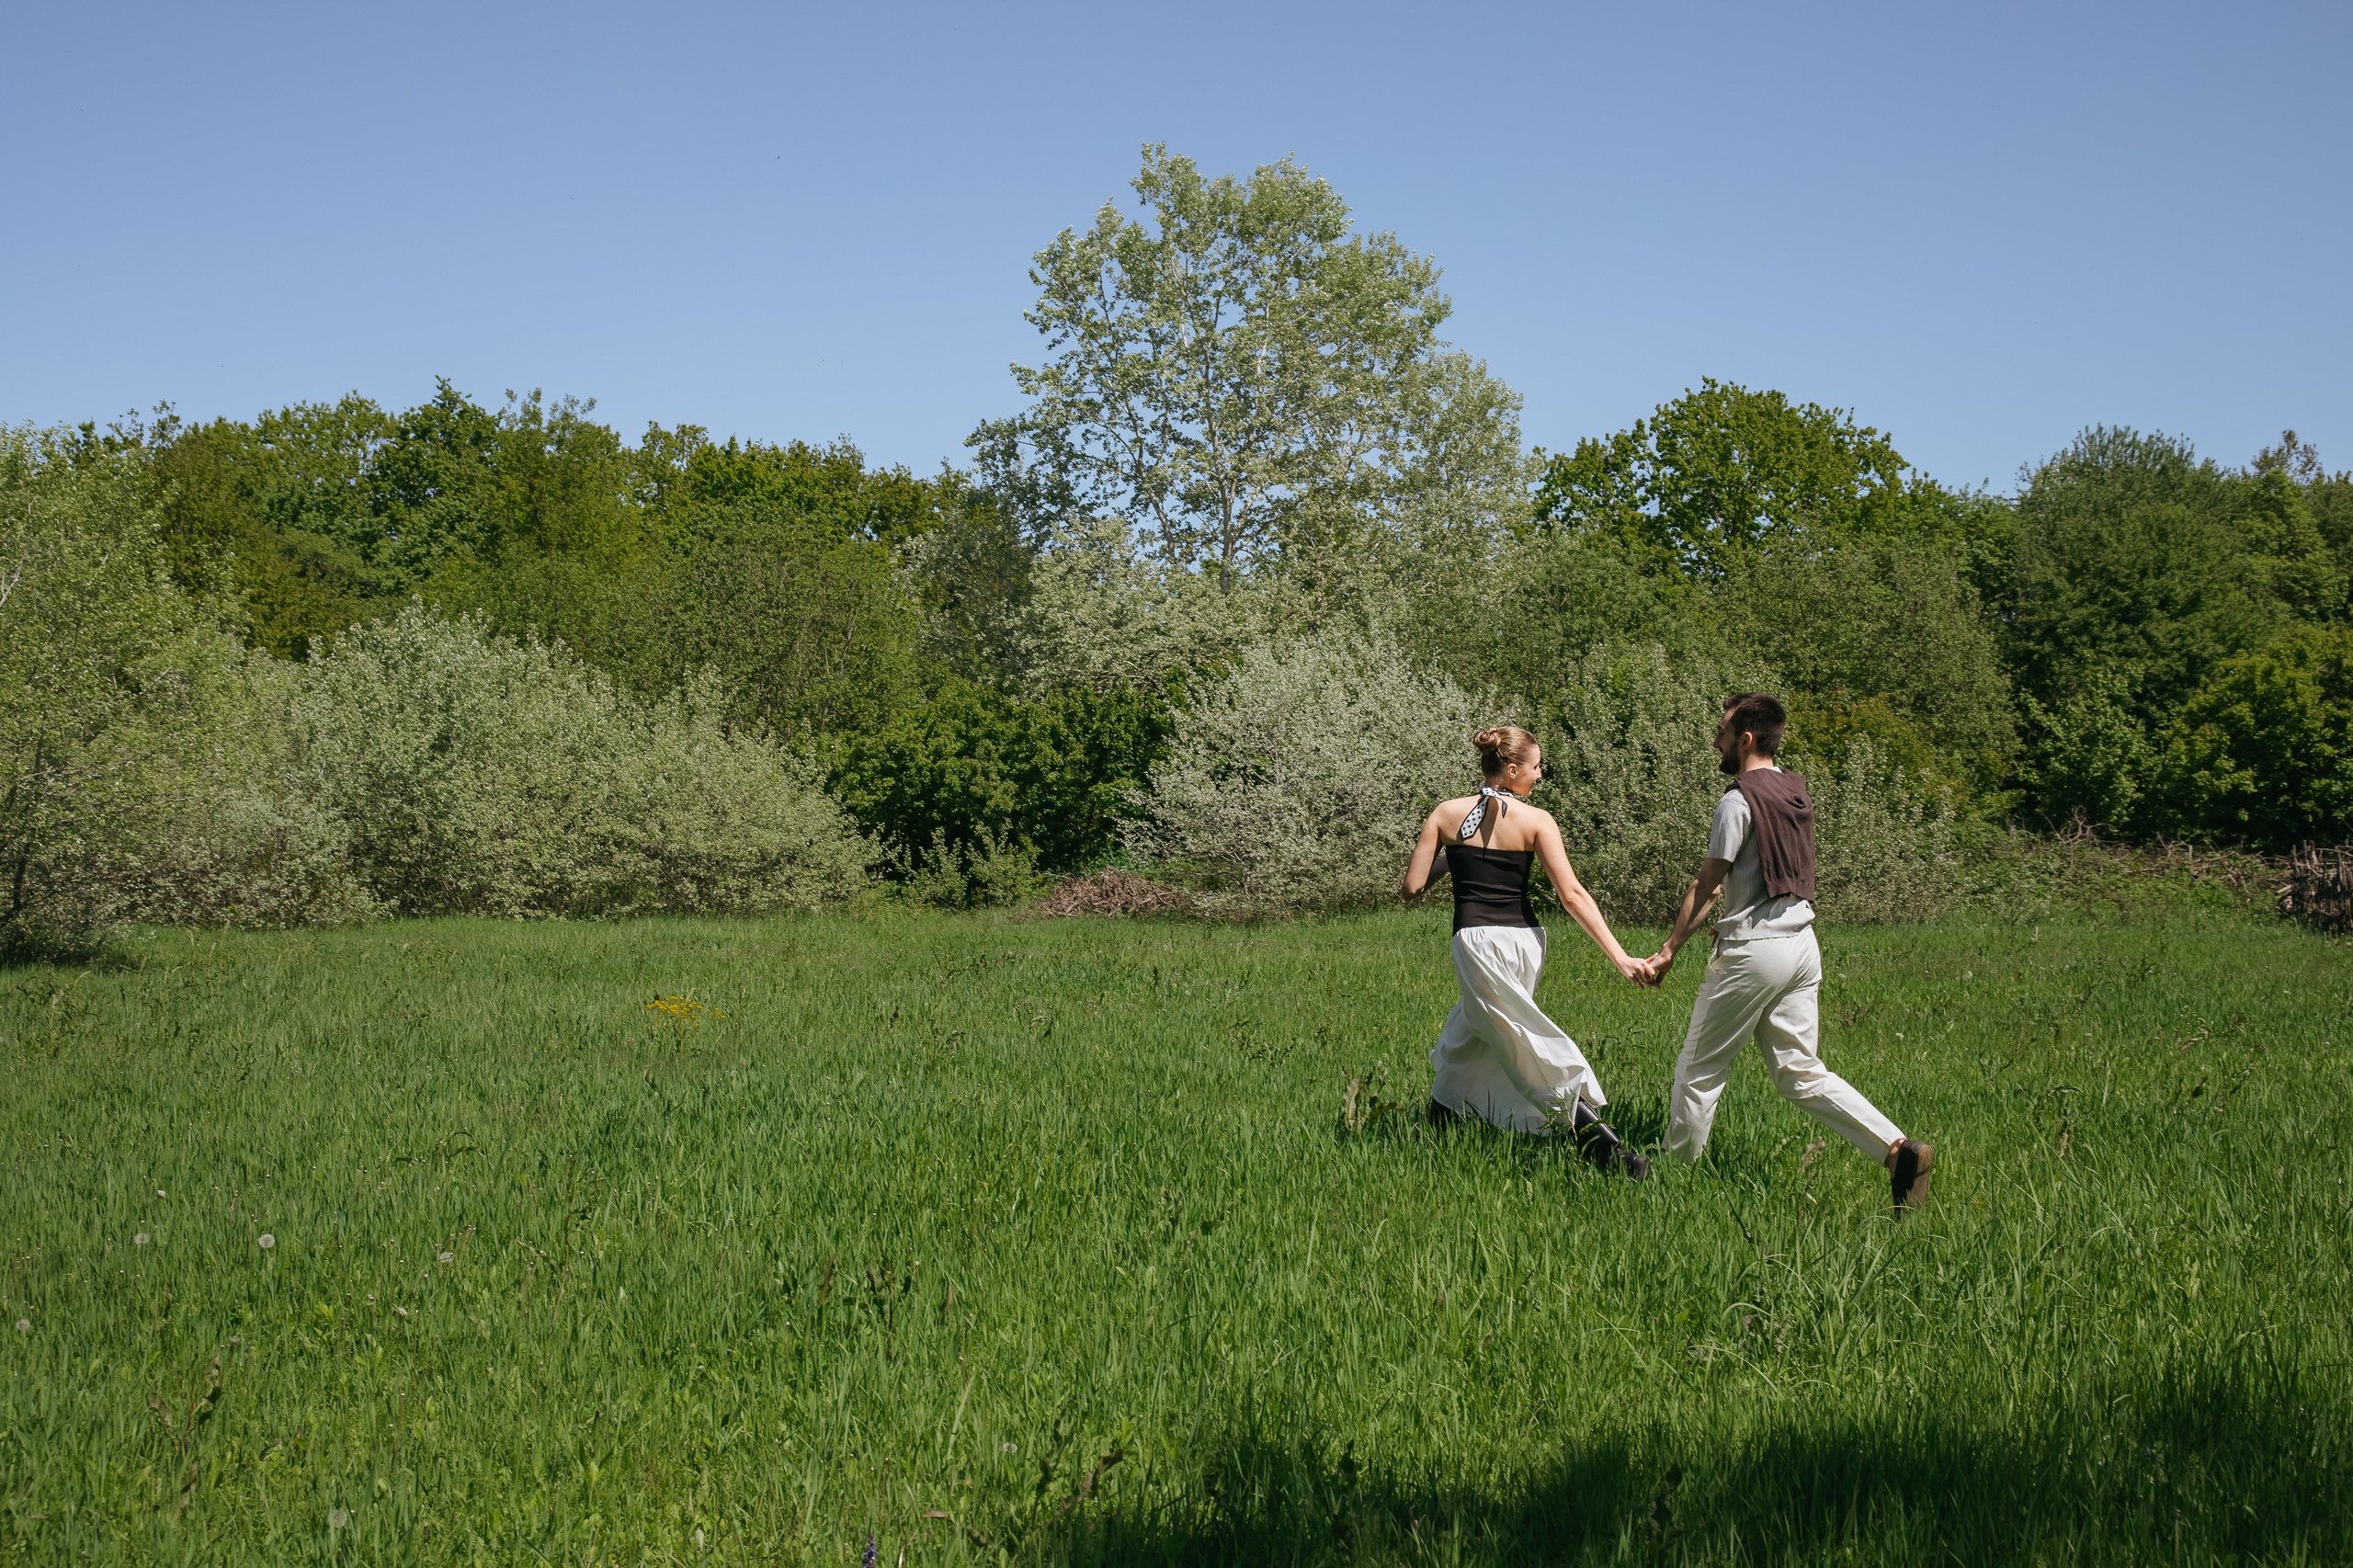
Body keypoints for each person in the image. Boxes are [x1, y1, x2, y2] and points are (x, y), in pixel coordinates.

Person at [1643, 694, 1935, 1214]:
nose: (1716, 740)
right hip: (1802, 947)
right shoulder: (1796, 793)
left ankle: (1668, 1185)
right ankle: (1897, 1150)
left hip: (1754, 953)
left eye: (1723, 731)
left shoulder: (1737, 800)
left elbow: (1708, 884)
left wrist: (1668, 949)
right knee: (1800, 1070)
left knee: (1699, 1069)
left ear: (1746, 739)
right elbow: (1768, 877)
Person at [1402, 725, 1654, 1177]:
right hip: (1525, 943)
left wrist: (1452, 852)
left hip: (1477, 942)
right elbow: (1572, 895)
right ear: (1513, 769)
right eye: (1536, 767)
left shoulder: (1445, 813)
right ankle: (1440, 1121)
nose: (1539, 775)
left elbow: (1412, 886)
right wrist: (1621, 956)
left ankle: (1602, 1148)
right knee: (1472, 1031)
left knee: (1518, 1039)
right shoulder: (1538, 820)